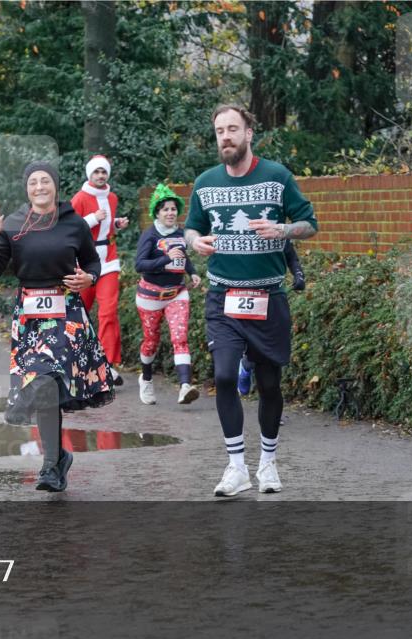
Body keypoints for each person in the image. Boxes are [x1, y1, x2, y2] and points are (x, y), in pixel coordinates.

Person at [184, 104, 318, 497]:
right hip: (222, 296)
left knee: (269, 384)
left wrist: (282, 229)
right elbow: (192, 227)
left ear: (248, 134)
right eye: (219, 131)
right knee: (224, 376)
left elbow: (310, 224)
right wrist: (196, 241)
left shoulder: (277, 177)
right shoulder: (205, 183)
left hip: (268, 297)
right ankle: (236, 467)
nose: (225, 137)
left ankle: (269, 464)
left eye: (232, 130)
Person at [0, 161, 114, 492]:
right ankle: (55, 462)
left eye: (45, 181)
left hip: (65, 308)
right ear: (26, 189)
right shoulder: (13, 223)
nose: (39, 187)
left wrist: (90, 277)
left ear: (55, 185)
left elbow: (93, 259)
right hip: (29, 313)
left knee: (48, 378)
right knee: (43, 385)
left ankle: (50, 464)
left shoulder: (73, 223)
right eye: (33, 183)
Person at [134, 183, 202, 406]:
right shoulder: (150, 235)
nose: (170, 213)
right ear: (157, 212)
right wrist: (166, 259)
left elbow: (184, 257)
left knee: (180, 338)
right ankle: (145, 378)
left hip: (177, 294)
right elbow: (140, 265)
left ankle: (185, 387)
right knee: (151, 342)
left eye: (173, 209)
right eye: (165, 209)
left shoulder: (181, 234)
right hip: (150, 296)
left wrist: (192, 273)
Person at [70, 155, 131, 386]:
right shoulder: (80, 198)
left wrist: (116, 224)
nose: (100, 176)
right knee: (79, 314)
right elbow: (70, 229)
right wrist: (93, 218)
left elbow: (107, 226)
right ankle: (78, 362)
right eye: (96, 172)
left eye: (103, 172)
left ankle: (107, 364)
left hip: (109, 260)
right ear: (89, 174)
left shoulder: (112, 197)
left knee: (108, 311)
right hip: (84, 262)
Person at [238, 240, 305, 394]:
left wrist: (299, 275)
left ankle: (247, 366)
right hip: (237, 294)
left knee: (264, 348)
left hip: (267, 296)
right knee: (240, 336)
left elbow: (291, 256)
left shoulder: (274, 231)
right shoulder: (233, 234)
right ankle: (244, 366)